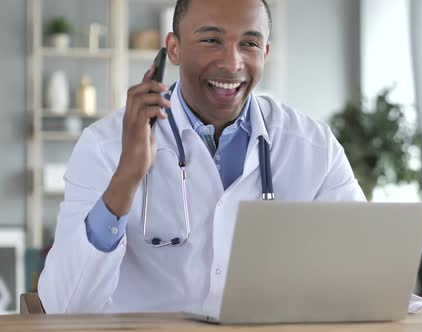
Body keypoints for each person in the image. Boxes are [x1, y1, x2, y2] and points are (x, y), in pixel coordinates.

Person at [38, 0, 365, 314]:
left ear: (265, 53)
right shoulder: (104, 145)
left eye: (249, 44)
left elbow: (364, 275)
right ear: (174, 48)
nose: (232, 63)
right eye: (211, 40)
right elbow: (64, 306)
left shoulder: (314, 147)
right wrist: (126, 176)